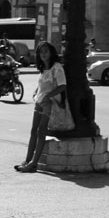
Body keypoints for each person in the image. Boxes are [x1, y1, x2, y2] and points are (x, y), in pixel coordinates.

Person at [15, 41, 66, 172]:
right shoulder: (43, 68)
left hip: (48, 102)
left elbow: (62, 85)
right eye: (41, 52)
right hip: (39, 101)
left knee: (41, 131)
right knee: (34, 130)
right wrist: (36, 92)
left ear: (51, 52)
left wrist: (49, 96)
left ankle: (34, 163)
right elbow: (42, 84)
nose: (43, 54)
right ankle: (27, 160)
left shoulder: (57, 67)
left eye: (46, 51)